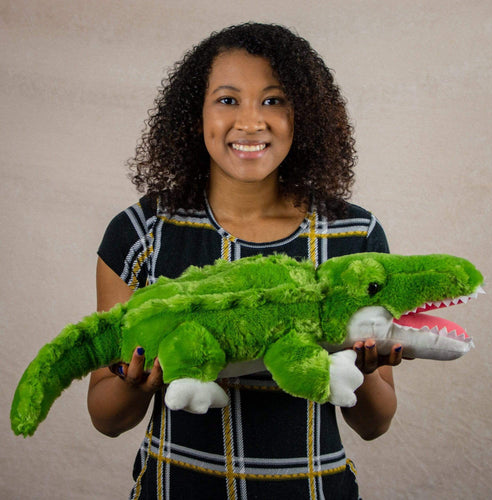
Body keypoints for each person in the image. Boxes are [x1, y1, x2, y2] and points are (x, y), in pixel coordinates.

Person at [87, 22, 403, 499]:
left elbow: (376, 423)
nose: (251, 122)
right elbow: (105, 416)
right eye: (228, 99)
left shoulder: (354, 236)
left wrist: (360, 366)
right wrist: (137, 384)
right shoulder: (142, 233)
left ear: (306, 116)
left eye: (273, 100)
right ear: (196, 114)